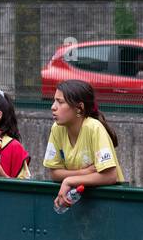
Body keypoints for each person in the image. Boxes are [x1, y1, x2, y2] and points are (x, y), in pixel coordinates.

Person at [44, 79, 124, 211]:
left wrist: (69, 180)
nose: (53, 106)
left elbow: (110, 176)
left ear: (79, 108)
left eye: (60, 102)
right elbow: (54, 173)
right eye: (54, 100)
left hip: (111, 204)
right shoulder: (56, 128)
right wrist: (84, 172)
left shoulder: (94, 128)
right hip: (82, 206)